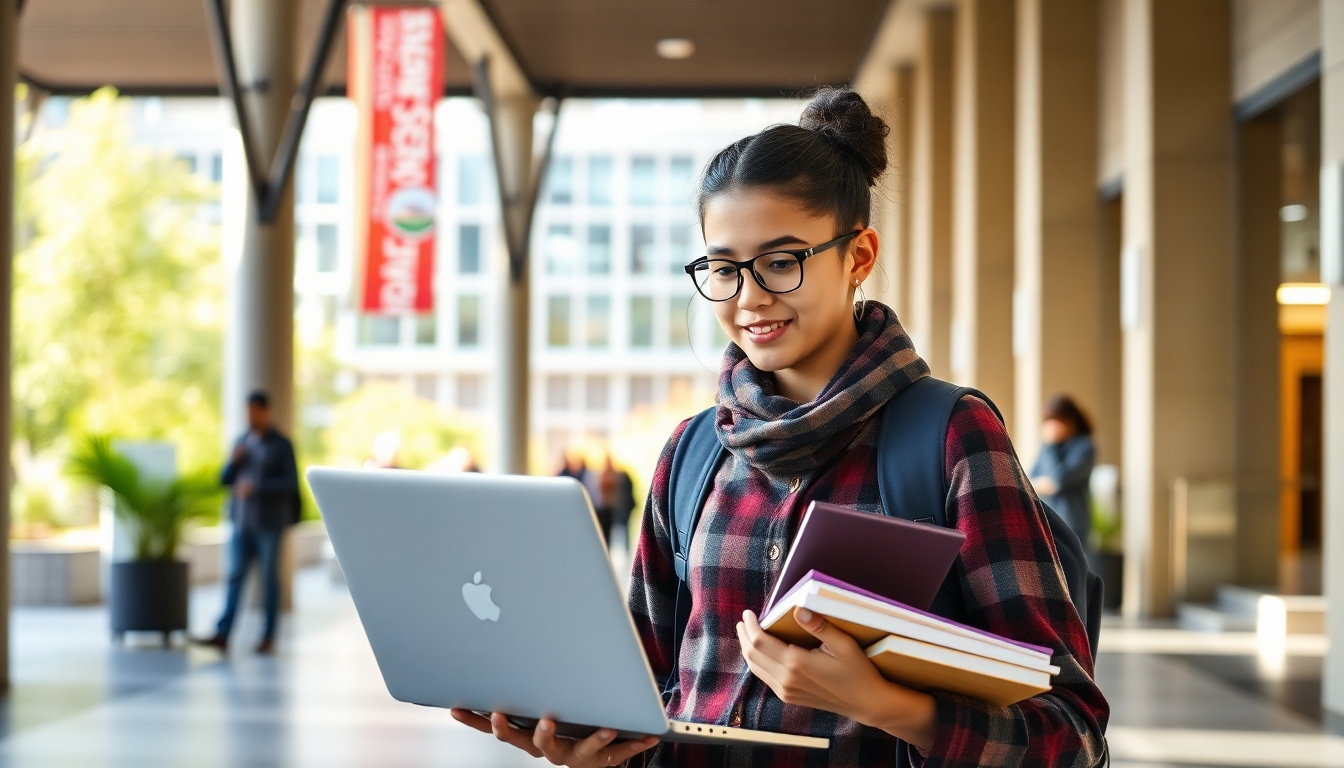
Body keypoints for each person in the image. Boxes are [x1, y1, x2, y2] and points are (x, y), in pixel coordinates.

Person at [451, 88, 1107, 767]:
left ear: (858, 256)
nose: (749, 297)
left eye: (782, 261)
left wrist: (885, 706)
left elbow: (1071, 732)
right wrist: (593, 742)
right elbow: (648, 698)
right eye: (724, 268)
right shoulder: (692, 452)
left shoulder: (949, 437)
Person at [193, 390, 300, 655]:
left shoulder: (281, 445)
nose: (251, 416)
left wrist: (257, 487)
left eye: (255, 411)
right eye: (247, 411)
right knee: (234, 577)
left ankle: (268, 636)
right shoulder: (242, 442)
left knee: (268, 579)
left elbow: (290, 483)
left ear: (266, 411)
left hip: (269, 524)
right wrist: (233, 462)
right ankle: (223, 633)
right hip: (242, 523)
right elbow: (224, 479)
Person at [1029, 395, 1098, 547]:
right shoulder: (1046, 448)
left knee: (1071, 570)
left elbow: (1059, 479)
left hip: (1072, 525)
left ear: (1069, 421)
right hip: (1046, 523)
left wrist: (1051, 445)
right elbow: (1028, 481)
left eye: (1056, 421)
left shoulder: (1084, 447)